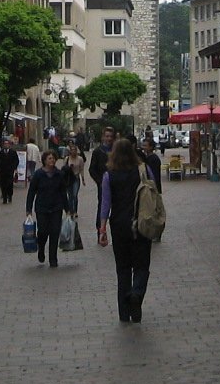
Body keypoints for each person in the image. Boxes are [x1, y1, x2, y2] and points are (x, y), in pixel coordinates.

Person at [96, 138, 153, 323]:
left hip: (119, 225)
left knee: (123, 269)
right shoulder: (143, 170)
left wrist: (102, 228)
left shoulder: (109, 175)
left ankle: (124, 312)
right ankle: (136, 294)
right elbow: (154, 192)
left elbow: (105, 203)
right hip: (141, 223)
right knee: (142, 266)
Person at [24, 150, 70, 268]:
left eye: (53, 158)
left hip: (56, 207)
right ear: (44, 160)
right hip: (42, 208)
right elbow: (31, 192)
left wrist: (68, 209)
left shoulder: (59, 174)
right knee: (43, 231)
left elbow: (63, 193)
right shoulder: (38, 175)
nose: (52, 160)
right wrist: (28, 209)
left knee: (55, 232)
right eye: (49, 158)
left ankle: (53, 258)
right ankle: (41, 248)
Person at [87, 125, 117, 191]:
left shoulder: (117, 150)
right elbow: (92, 169)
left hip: (116, 185)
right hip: (102, 185)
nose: (109, 139)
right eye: (107, 136)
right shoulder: (98, 151)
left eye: (111, 136)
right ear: (103, 137)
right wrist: (100, 182)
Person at [0, 139, 18, 205]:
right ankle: (4, 198)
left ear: (9, 145)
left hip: (10, 171)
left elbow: (16, 161)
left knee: (9, 184)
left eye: (7, 144)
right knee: (3, 185)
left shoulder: (13, 152)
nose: (6, 145)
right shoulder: (1, 153)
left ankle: (10, 196)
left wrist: (14, 168)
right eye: (5, 144)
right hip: (3, 171)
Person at [63, 143, 86, 216]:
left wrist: (83, 179)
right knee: (70, 196)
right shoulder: (67, 159)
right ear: (70, 151)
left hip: (76, 178)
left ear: (76, 151)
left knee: (75, 195)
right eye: (72, 150)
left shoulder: (80, 159)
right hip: (69, 179)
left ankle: (75, 210)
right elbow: (64, 169)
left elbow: (81, 169)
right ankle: (71, 211)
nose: (73, 151)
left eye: (74, 150)